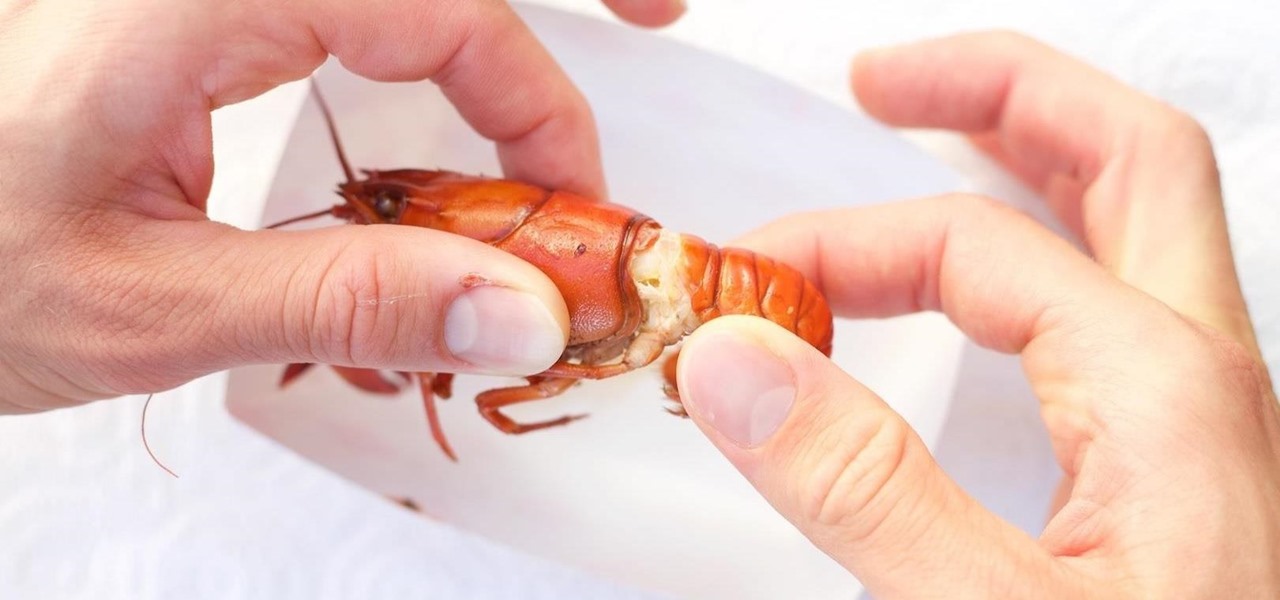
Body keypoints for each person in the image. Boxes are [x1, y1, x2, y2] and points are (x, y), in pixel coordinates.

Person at [2, 0, 1275, 596]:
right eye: (399, 206)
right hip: (687, 288)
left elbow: (490, 395)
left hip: (755, 308)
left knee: (480, 405)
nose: (385, 203)